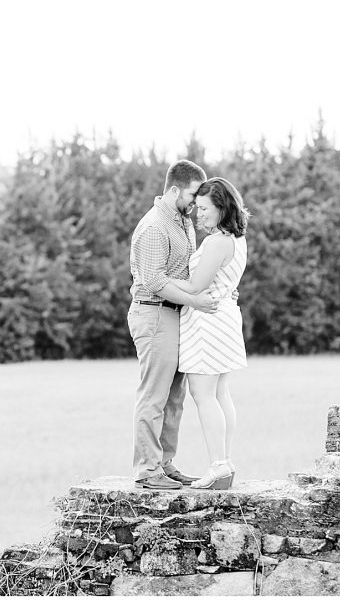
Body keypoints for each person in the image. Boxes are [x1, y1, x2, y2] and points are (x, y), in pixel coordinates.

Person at [127, 160, 218, 490]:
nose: (198, 201)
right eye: (194, 193)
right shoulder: (155, 226)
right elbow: (153, 279)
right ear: (175, 189)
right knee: (154, 396)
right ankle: (147, 470)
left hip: (175, 314)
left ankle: (164, 463)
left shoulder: (182, 221)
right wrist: (195, 301)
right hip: (153, 313)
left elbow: (187, 271)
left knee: (174, 397)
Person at [163, 177, 250, 490]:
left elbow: (196, 286)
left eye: (204, 208)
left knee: (203, 395)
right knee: (220, 393)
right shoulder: (235, 239)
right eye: (196, 207)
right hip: (223, 315)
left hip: (207, 322)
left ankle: (218, 465)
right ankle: (224, 463)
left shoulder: (217, 242)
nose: (197, 214)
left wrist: (159, 281)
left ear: (221, 208)